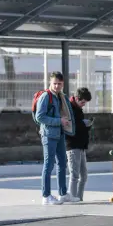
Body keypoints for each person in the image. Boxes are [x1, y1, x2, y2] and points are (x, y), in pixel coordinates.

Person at [35, 71, 78, 206]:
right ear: (50, 83)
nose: (57, 86)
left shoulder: (61, 96)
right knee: (49, 164)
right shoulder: (46, 96)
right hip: (49, 135)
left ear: (63, 84)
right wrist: (58, 121)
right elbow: (39, 117)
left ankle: (63, 194)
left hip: (60, 134)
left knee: (62, 163)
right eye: (54, 83)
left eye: (59, 84)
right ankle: (46, 196)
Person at [66, 87, 93, 202]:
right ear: (77, 98)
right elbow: (71, 126)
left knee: (84, 176)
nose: (83, 105)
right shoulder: (69, 108)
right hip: (73, 145)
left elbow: (79, 126)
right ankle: (72, 197)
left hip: (81, 145)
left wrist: (87, 125)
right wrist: (83, 124)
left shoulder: (78, 109)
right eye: (82, 102)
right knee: (75, 175)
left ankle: (79, 198)